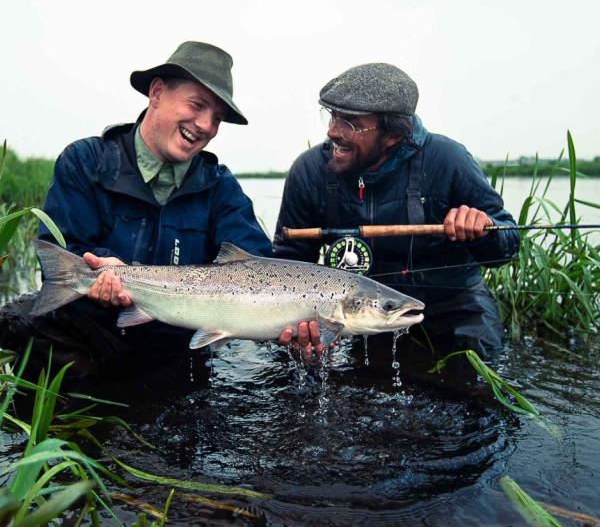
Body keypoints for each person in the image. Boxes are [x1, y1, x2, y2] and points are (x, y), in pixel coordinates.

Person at [1, 41, 273, 377]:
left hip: (175, 349)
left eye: (216, 118)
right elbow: (61, 256)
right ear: (156, 93)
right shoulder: (85, 162)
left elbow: (258, 263)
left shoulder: (220, 187)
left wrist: (287, 317)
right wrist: (100, 265)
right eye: (197, 105)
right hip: (93, 335)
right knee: (22, 320)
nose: (205, 125)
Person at [274, 63, 520, 360]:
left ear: (391, 135)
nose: (332, 131)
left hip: (457, 310)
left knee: (479, 395)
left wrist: (484, 229)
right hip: (366, 313)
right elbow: (288, 264)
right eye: (333, 116)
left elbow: (508, 246)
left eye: (350, 122)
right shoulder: (310, 170)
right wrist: (300, 326)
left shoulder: (448, 159)